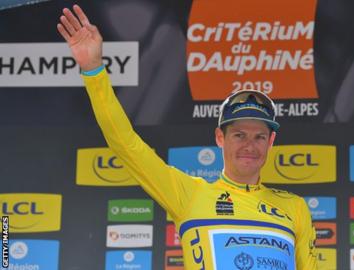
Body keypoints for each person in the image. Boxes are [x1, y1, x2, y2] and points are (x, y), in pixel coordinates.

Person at [58, 5, 318, 269]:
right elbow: (126, 144)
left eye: (259, 137)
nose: (250, 145)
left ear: (271, 142)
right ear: (220, 138)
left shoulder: (294, 208)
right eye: (239, 135)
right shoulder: (189, 194)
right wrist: (93, 71)